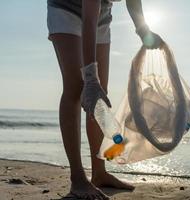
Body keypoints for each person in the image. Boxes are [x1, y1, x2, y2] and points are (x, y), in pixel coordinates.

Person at [47, 0, 162, 199]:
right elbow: (88, 17)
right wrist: (90, 77)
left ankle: (99, 173)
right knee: (76, 87)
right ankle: (78, 178)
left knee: (100, 93)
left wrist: (143, 30)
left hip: (101, 15)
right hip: (66, 7)